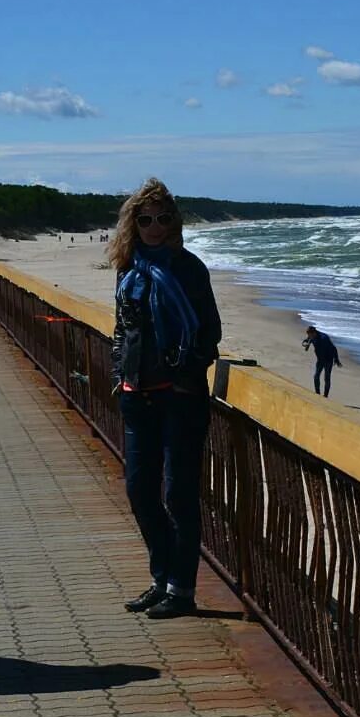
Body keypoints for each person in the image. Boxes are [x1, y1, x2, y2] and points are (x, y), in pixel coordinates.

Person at [109, 178, 221, 620]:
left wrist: (182, 377)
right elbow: (122, 329)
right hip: (137, 395)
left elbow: (209, 333)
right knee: (139, 490)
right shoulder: (128, 268)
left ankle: (182, 588)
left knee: (178, 493)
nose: (154, 227)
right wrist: (121, 375)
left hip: (180, 397)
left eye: (162, 218)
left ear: (174, 222)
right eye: (145, 219)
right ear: (133, 223)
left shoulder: (189, 268)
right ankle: (161, 577)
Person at [302, 326, 342, 398]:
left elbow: (333, 348)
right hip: (320, 360)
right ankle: (317, 394)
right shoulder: (311, 336)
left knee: (326, 378)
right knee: (316, 376)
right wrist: (306, 344)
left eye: (310, 335)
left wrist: (337, 359)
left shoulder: (324, 338)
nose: (309, 336)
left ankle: (325, 396)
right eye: (308, 335)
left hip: (328, 360)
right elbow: (307, 341)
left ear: (314, 333)